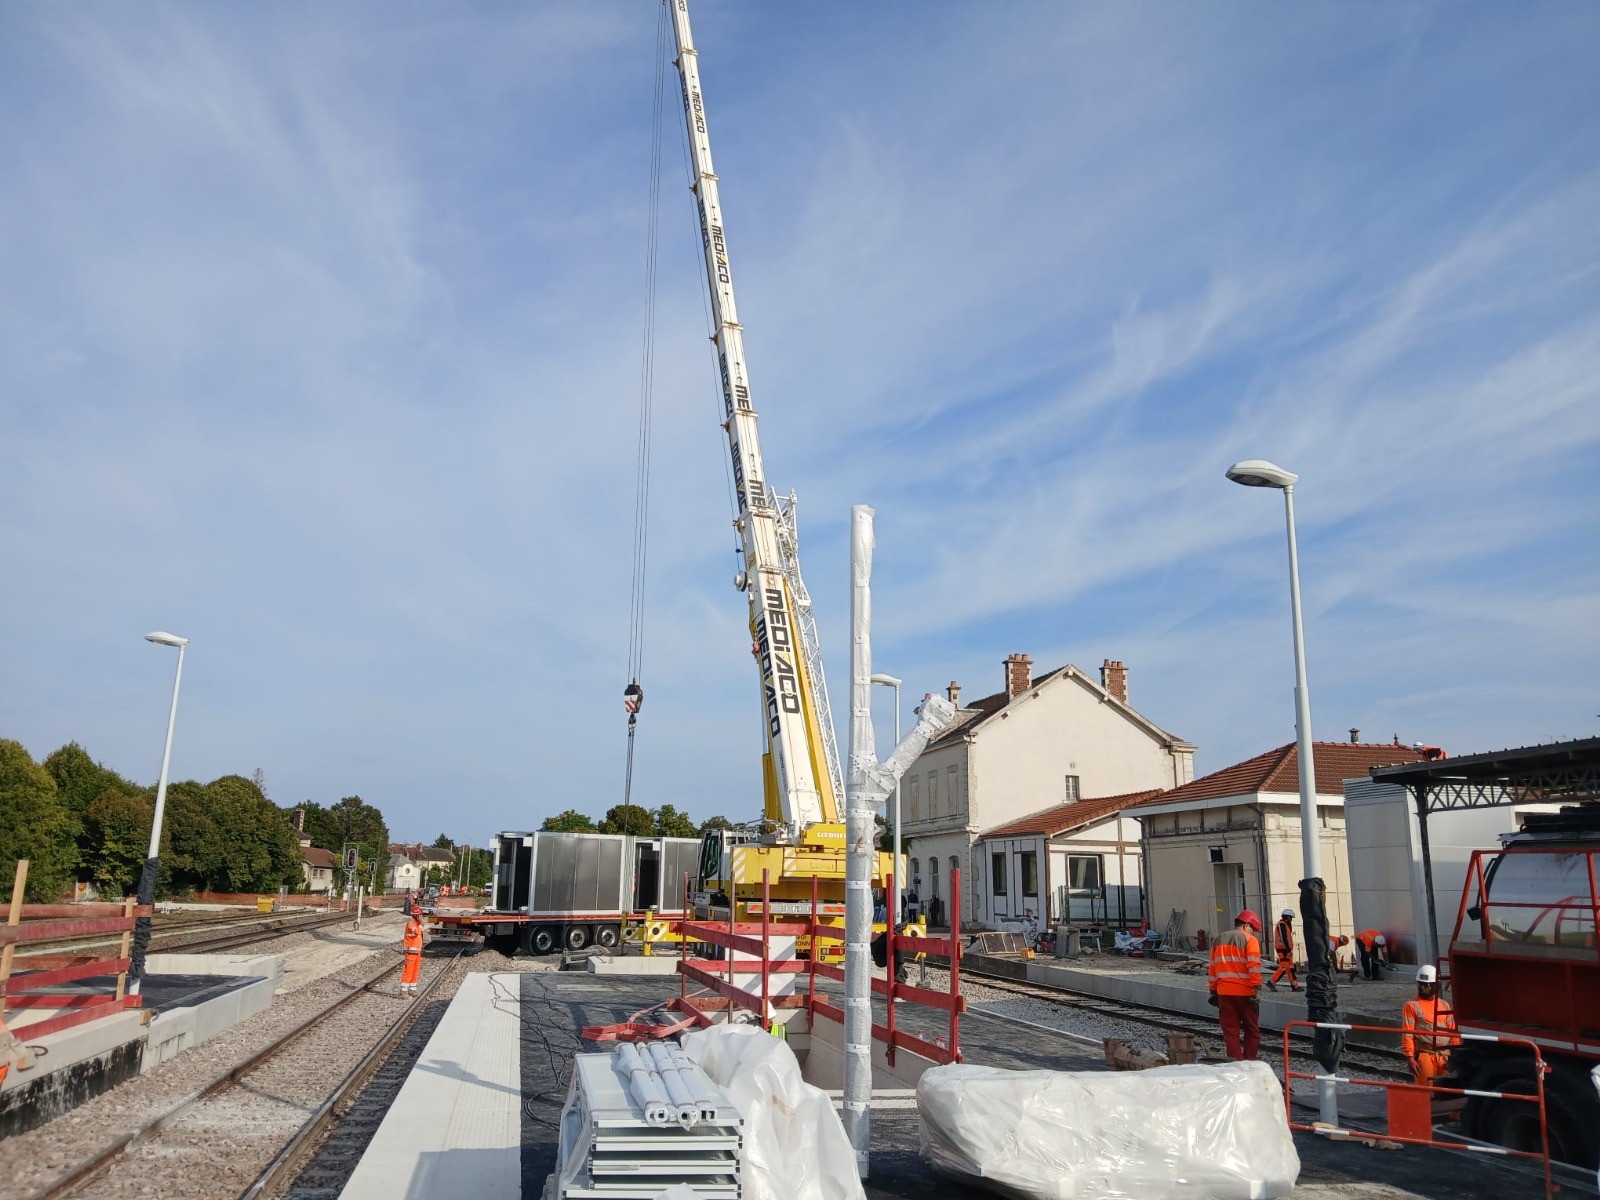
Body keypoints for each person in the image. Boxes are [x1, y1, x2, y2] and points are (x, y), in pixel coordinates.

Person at [1208, 910, 1263, 1060]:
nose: (1254, 933)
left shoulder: (1218, 940)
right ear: (1246, 926)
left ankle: (1235, 1064)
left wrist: (1213, 990)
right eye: (1253, 929)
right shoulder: (1249, 940)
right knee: (1252, 1031)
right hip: (1246, 993)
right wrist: (1257, 988)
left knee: (1230, 1031)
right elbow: (1253, 966)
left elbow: (1212, 968)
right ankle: (1249, 1063)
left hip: (1224, 993)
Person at [1401, 964, 1458, 1086]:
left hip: (1445, 1056)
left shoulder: (1444, 1005)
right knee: (1426, 1092)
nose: (1422, 987)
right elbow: (1408, 1033)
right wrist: (1410, 1057)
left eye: (1425, 985)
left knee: (1445, 1092)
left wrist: (1456, 1054)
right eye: (1419, 984)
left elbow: (1453, 1032)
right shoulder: (1412, 1005)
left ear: (1434, 986)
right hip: (1425, 1055)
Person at [1268, 908, 1299, 992]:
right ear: (1287, 917)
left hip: (1285, 949)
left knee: (1290, 967)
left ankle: (1294, 985)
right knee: (1285, 967)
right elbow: (1283, 938)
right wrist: (1288, 950)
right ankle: (1272, 981)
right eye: (1291, 918)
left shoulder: (1284, 924)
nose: (1291, 920)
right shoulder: (1282, 924)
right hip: (1283, 949)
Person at [401, 906, 426, 994]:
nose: (422, 917)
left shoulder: (416, 924)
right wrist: (421, 924)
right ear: (416, 916)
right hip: (411, 952)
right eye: (420, 915)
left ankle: (412, 989)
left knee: (415, 971)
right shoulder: (411, 923)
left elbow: (419, 936)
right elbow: (417, 932)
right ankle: (403, 991)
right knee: (408, 971)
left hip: (416, 952)